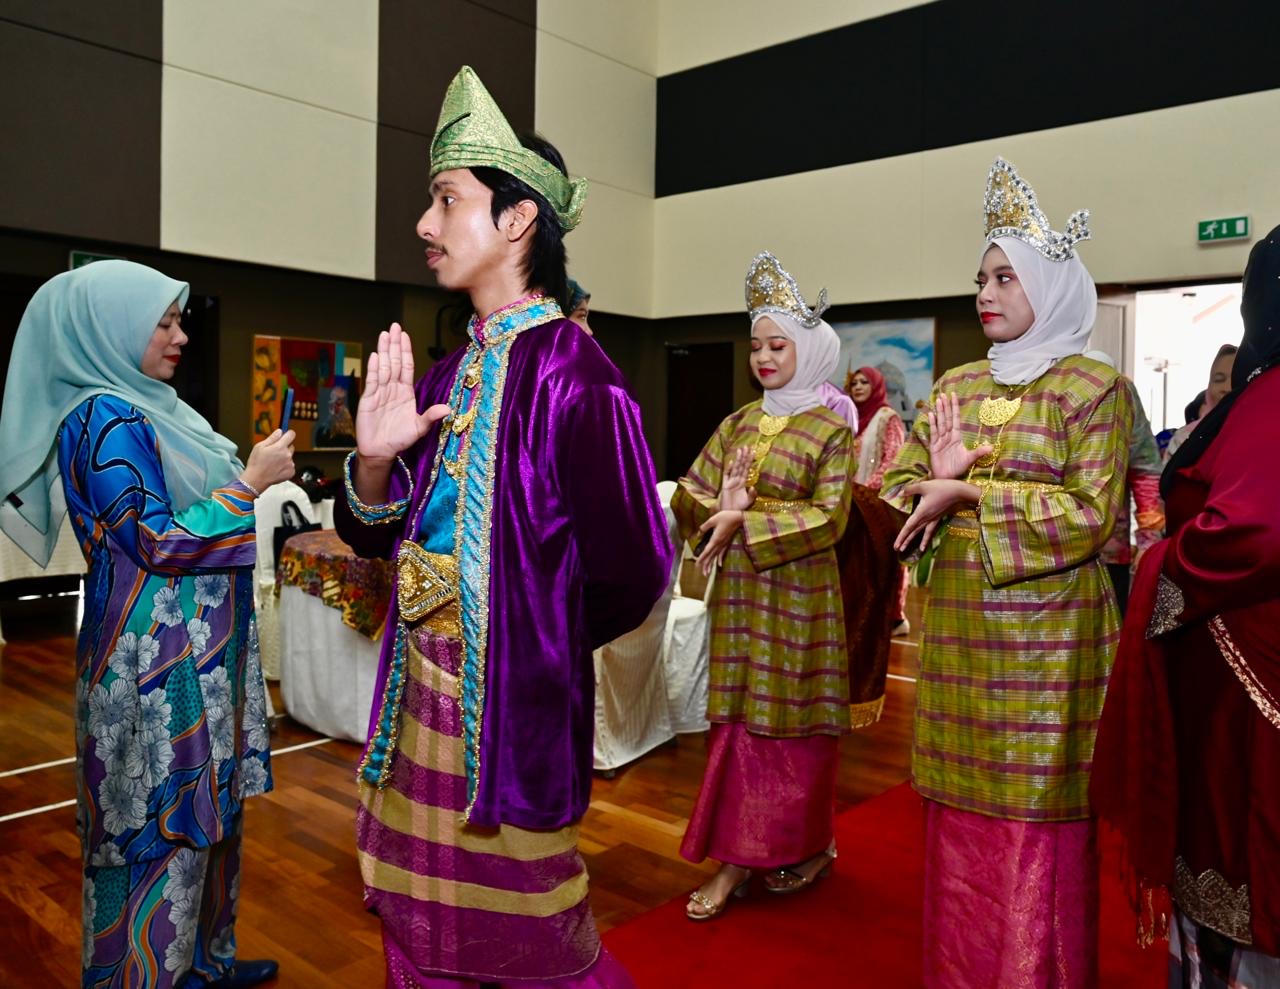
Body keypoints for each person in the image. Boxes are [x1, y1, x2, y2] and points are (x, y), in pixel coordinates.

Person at [334, 66, 670, 987]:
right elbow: (372, 533)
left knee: (533, 934)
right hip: (412, 704)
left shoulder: (580, 377)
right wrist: (369, 465)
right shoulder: (442, 379)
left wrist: (529, 636)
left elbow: (635, 569)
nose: (425, 224)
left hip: (508, 714)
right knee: (417, 915)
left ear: (518, 219)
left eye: (447, 199)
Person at [0, 260, 293, 988]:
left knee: (208, 821)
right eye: (162, 322)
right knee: (155, 830)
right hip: (152, 666)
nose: (180, 335)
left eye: (177, 319)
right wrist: (249, 484)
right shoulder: (105, 416)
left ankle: (203, 963)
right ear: (110, 329)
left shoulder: (154, 409)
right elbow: (155, 540)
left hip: (192, 658)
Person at [881, 158, 1133, 987]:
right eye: (980, 277)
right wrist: (929, 483)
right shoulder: (954, 384)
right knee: (959, 832)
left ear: (1051, 287)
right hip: (958, 652)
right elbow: (895, 493)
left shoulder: (1096, 388)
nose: (985, 292)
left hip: (1048, 661)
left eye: (1003, 276)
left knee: (1034, 836)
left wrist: (969, 492)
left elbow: (1093, 514)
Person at [1091, 226, 1280, 986]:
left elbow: (1257, 527)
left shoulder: (1270, 400)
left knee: (1247, 872)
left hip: (1247, 707)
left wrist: (1161, 566)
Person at [673, 251, 854, 920]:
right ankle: (737, 855)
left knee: (796, 725)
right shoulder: (738, 424)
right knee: (742, 724)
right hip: (744, 598)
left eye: (779, 344)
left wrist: (744, 515)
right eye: (756, 345)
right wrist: (715, 503)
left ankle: (809, 842)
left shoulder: (832, 430)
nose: (764, 356)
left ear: (808, 348)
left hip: (802, 599)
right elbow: (690, 493)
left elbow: (830, 515)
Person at [1084, 351, 1164, 614]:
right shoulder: (1053, 385)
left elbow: (1145, 469)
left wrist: (1149, 539)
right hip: (1047, 547)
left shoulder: (1122, 391)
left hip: (1109, 550)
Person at [847, 364, 911, 633]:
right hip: (849, 506)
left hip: (877, 506)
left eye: (865, 382)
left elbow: (893, 461)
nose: (858, 387)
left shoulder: (887, 418)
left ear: (876, 387)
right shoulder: (848, 419)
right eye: (854, 383)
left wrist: (864, 493)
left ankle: (892, 619)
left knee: (881, 564)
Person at [1163, 344, 1237, 462]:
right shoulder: (1185, 438)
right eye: (1218, 380)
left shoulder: (1262, 436)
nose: (1226, 388)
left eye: (1236, 379)